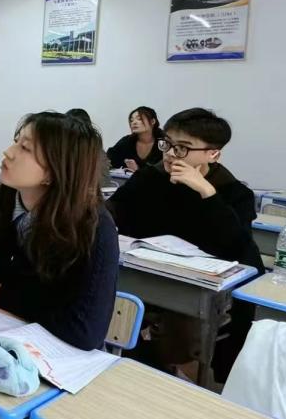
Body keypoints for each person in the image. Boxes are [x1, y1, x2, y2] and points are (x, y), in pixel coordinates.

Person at [0, 112, 118, 351]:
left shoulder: (94, 227)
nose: (8, 152)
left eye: (25, 148)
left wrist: (5, 295)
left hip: (58, 355)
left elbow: (86, 330)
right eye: (16, 141)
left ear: (55, 170)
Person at [107, 108, 261, 381]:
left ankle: (176, 379)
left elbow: (240, 249)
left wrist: (207, 193)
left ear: (213, 154)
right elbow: (111, 213)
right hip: (143, 274)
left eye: (182, 148)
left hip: (196, 289)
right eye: (167, 144)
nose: (169, 154)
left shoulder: (234, 193)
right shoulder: (150, 178)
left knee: (180, 326)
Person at [107, 106, 163, 171]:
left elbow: (164, 171)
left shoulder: (164, 142)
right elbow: (109, 158)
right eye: (131, 120)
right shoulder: (127, 141)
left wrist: (138, 170)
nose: (134, 122)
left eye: (139, 119)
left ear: (152, 121)